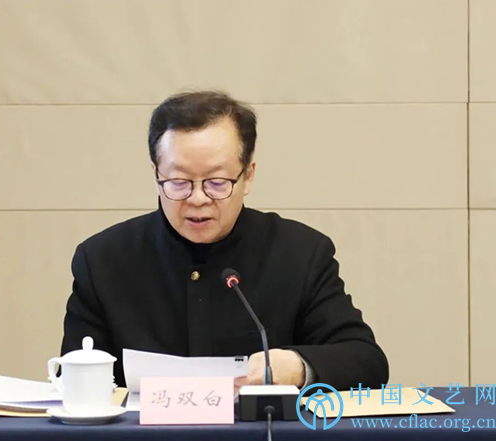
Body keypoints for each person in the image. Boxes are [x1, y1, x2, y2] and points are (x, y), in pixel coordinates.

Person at [61, 91, 389, 391]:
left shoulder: (300, 254)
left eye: (217, 182)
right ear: (156, 174)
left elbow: (366, 361)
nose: (198, 199)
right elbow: (72, 381)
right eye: (179, 181)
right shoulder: (103, 261)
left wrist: (298, 367)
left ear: (248, 176)